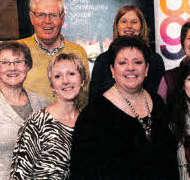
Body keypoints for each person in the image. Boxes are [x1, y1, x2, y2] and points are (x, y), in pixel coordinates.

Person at [69, 36, 178, 179]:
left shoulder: (157, 103)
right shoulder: (93, 114)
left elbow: (170, 161)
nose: (131, 68)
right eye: (122, 63)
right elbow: (82, 173)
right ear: (112, 70)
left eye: (137, 62)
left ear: (146, 69)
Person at [0, 41, 49, 179]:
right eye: (5, 62)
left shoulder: (43, 103)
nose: (12, 68)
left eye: (18, 61)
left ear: (27, 66)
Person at [10, 53, 86, 179]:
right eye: (58, 76)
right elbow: (19, 175)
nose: (65, 81)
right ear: (52, 86)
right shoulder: (37, 121)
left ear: (82, 80)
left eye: (71, 74)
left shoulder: (87, 122)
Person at [19, 0, 90, 109]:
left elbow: (84, 99)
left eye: (53, 15)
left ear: (62, 19)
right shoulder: (17, 50)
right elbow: (1, 95)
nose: (47, 21)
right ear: (32, 18)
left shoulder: (78, 51)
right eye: (41, 15)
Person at [89, 4, 165, 102]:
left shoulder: (155, 59)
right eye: (124, 21)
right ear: (117, 26)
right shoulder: (103, 60)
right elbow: (94, 98)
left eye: (134, 22)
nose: (129, 26)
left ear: (141, 27)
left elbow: (160, 96)